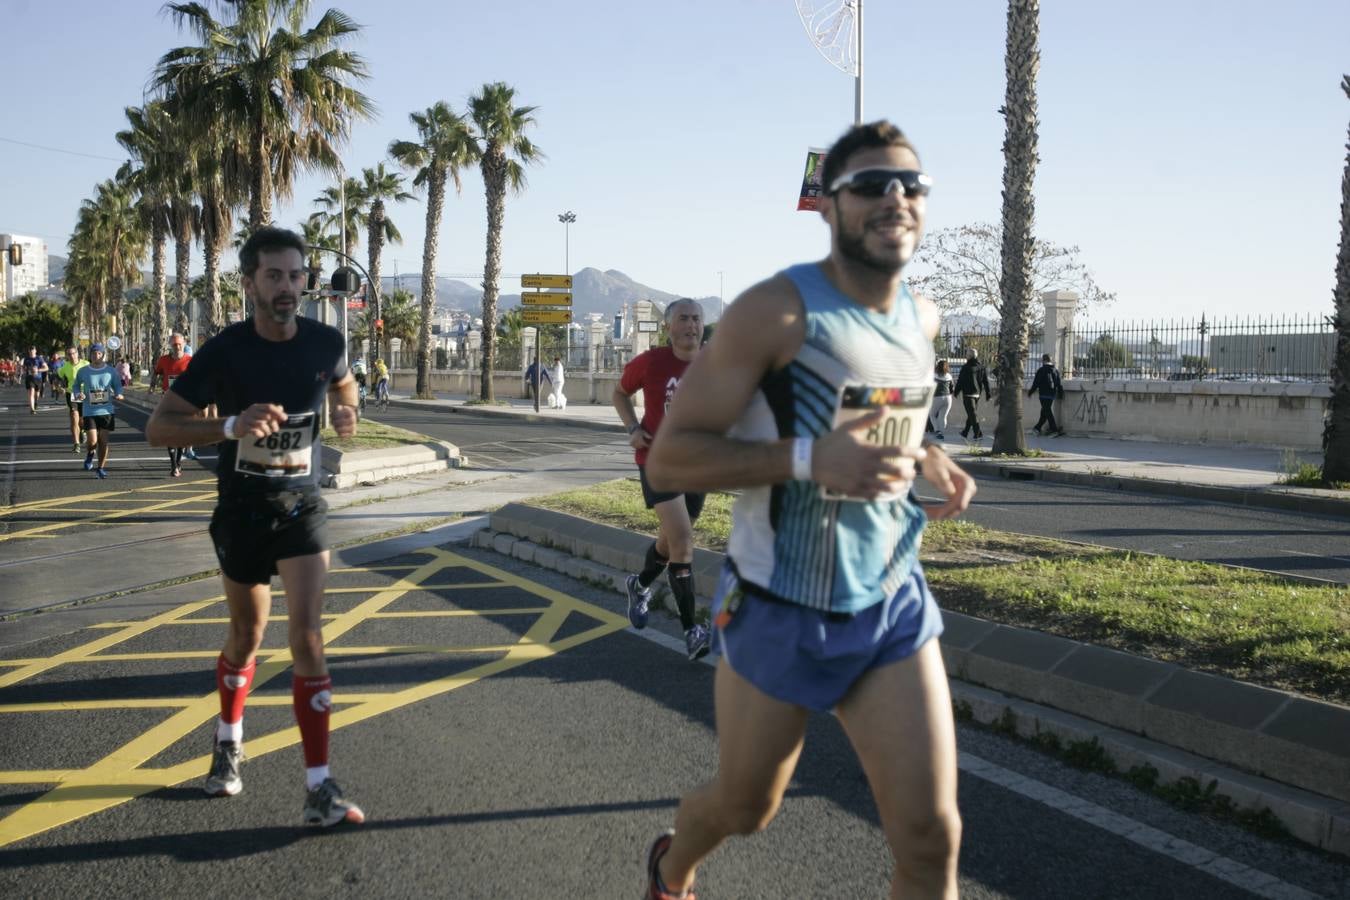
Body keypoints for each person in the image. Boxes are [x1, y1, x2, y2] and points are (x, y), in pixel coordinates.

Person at [643, 120, 974, 899]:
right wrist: (803, 458)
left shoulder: (922, 319)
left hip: (891, 600)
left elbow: (881, 415)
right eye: (869, 184)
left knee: (932, 838)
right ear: (829, 205)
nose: (894, 197)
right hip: (779, 606)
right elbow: (671, 456)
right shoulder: (776, 313)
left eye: (910, 184)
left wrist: (925, 456)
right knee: (745, 807)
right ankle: (671, 867)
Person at [146, 226, 364, 828]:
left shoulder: (325, 341)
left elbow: (343, 382)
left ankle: (319, 787)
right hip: (242, 509)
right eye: (274, 276)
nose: (288, 287)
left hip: (302, 506)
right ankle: (228, 741)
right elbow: (159, 428)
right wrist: (228, 427)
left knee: (309, 636)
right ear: (249, 284)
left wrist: (346, 408)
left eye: (296, 276)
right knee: (247, 635)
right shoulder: (225, 351)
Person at [613, 298, 711, 661]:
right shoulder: (652, 362)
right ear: (669, 327)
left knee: (670, 544)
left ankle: (638, 586)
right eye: (683, 318)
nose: (691, 325)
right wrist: (632, 428)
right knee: (684, 541)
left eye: (696, 318)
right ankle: (692, 630)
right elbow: (620, 392)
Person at [71, 343, 124, 479]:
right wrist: (78, 394)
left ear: (103, 355)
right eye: (94, 353)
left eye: (99, 353)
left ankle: (100, 468)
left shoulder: (111, 371)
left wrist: (119, 394)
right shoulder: (83, 371)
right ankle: (90, 454)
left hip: (106, 411)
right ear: (90, 355)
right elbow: (76, 386)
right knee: (92, 442)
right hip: (90, 411)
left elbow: (117, 386)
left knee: (103, 442)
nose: (96, 356)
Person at [152, 333, 194, 477]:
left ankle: (178, 462)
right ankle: (173, 465)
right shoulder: (163, 360)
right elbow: (156, 373)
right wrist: (152, 387)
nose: (177, 347)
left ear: (184, 344)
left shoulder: (190, 360)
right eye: (174, 344)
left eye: (179, 344)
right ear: (170, 345)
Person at [55, 346, 89, 453]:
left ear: (77, 353)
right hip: (72, 394)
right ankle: (76, 444)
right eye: (69, 354)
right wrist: (59, 388)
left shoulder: (86, 364)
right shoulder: (65, 367)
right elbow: (57, 378)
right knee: (74, 417)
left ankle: (82, 430)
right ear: (67, 356)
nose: (72, 356)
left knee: (82, 420)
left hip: (85, 394)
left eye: (73, 353)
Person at [955, 349, 992, 440]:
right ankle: (965, 432)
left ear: (969, 356)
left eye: (967, 355)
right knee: (971, 414)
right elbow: (986, 382)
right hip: (977, 394)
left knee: (972, 414)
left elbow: (960, 381)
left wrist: (956, 391)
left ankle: (978, 434)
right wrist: (988, 393)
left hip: (968, 394)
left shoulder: (965, 367)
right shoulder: (981, 367)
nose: (966, 356)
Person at [1028, 352, 1065, 436]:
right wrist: (1060, 394)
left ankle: (1054, 429)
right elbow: (1058, 383)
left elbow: (1036, 383)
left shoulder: (1041, 370)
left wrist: (1030, 392)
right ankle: (1037, 428)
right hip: (1052, 395)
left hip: (1043, 394)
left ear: (1043, 360)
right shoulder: (1055, 370)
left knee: (1047, 411)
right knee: (1044, 411)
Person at [930, 358, 954, 440]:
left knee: (932, 415)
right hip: (948, 398)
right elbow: (952, 389)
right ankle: (942, 433)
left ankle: (937, 431)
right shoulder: (949, 376)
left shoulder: (934, 376)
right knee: (943, 416)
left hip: (937, 397)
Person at [22, 346, 48, 414]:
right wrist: (26, 370)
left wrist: (38, 370)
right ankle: (32, 409)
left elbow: (46, 368)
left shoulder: (39, 358)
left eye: (33, 350)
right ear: (29, 351)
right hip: (29, 378)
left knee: (37, 394)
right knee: (31, 392)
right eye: (30, 350)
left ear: (35, 351)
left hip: (38, 378)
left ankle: (35, 402)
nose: (31, 351)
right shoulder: (26, 359)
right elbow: (24, 368)